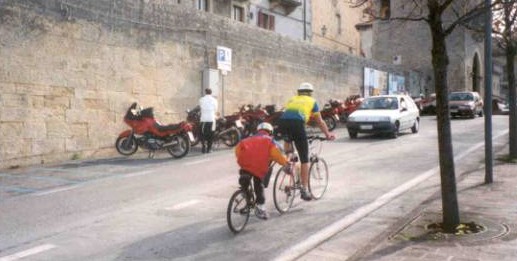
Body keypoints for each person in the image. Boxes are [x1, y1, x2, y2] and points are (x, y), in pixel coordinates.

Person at [275, 82, 336, 201]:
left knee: (289, 144)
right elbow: (320, 122)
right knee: (304, 159)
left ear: (299, 92)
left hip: (282, 123)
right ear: (310, 93)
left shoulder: (292, 99)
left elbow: (294, 115)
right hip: (297, 126)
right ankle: (304, 189)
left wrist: (306, 121)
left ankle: (288, 163)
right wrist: (327, 134)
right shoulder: (312, 102)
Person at [234, 122, 289, 220]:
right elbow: (277, 154)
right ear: (270, 132)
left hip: (245, 165)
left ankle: (247, 199)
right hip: (259, 167)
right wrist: (285, 164)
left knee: (245, 179)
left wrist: (243, 160)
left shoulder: (248, 139)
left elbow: (238, 150)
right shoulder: (270, 141)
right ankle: (261, 209)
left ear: (258, 130)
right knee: (259, 185)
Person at [199, 88, 218, 153]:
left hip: (203, 119)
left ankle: (203, 147)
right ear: (211, 92)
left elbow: (200, 107)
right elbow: (216, 109)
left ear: (205, 92)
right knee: (211, 134)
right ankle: (209, 149)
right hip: (211, 119)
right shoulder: (214, 100)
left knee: (202, 133)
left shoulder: (201, 99)